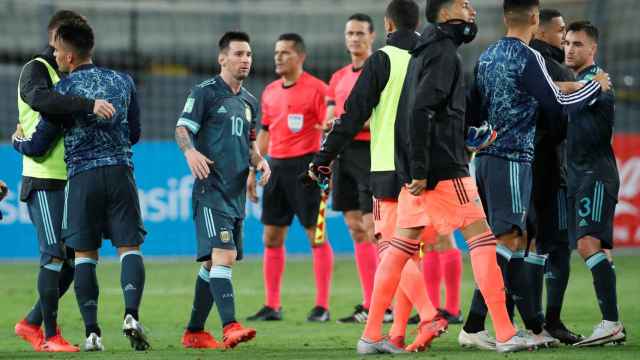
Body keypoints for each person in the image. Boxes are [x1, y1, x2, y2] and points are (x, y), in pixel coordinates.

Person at [461, 0, 609, 349]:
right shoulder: (529, 57)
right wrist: (594, 86)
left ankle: (528, 324)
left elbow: (472, 108)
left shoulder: (487, 55)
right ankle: (475, 325)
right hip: (512, 158)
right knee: (508, 239)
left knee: (509, 239)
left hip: (483, 160)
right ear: (533, 18)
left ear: (504, 18)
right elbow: (555, 101)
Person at [311, 0, 451, 353]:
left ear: (387, 25)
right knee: (407, 251)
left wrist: (323, 156)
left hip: (389, 166)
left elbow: (353, 114)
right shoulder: (434, 55)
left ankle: (428, 314)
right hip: (430, 167)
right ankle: (395, 333)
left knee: (391, 248)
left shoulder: (383, 59)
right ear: (417, 23)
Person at [10, 10, 115, 353]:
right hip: (42, 178)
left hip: (72, 178)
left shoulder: (72, 74)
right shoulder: (36, 69)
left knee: (72, 261)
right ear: (55, 37)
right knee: (54, 253)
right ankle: (51, 337)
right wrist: (86, 105)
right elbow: (40, 100)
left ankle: (30, 323)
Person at [41, 19, 148, 351]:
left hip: (82, 176)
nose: (55, 56)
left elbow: (43, 138)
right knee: (129, 247)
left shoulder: (62, 89)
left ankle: (92, 333)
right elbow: (135, 132)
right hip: (120, 172)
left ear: (70, 57)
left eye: (57, 51)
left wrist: (20, 142)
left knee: (85, 255)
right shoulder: (122, 80)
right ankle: (131, 315)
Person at [176, 31, 270, 350]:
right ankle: (230, 326)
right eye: (239, 54)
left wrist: (260, 161)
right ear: (222, 58)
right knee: (224, 255)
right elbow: (182, 128)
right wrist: (190, 151)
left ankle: (194, 331)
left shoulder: (249, 102)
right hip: (211, 191)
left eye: (249, 54)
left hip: (235, 196)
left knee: (212, 264)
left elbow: (249, 144)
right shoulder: (204, 93)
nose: (245, 60)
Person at [248, 33, 333, 322]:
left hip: (306, 167)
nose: (278, 57)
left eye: (285, 52)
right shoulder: (270, 91)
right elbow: (265, 131)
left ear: (300, 57)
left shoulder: (318, 90)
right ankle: (272, 305)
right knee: (271, 236)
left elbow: (330, 129)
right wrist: (254, 167)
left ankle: (322, 306)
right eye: (276, 52)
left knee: (316, 236)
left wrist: (325, 168)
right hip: (275, 167)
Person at [562, 21, 625, 347]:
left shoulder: (595, 83)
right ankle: (613, 323)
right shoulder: (582, 81)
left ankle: (611, 322)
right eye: (567, 43)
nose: (570, 49)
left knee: (588, 244)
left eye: (577, 44)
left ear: (593, 49)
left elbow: (563, 101)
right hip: (580, 175)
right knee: (595, 247)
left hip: (594, 175)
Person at [528, 8, 583, 344]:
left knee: (517, 244)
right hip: (549, 168)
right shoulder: (553, 67)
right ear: (544, 32)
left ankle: (520, 323)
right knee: (558, 246)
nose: (565, 38)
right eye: (561, 30)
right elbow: (563, 121)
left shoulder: (519, 60)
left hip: (519, 167)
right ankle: (550, 322)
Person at [326, 13, 379, 324]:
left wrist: (350, 124)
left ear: (372, 36)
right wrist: (332, 125)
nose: (355, 38)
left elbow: (382, 115)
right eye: (350, 33)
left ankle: (386, 305)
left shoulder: (378, 71)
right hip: (344, 152)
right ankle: (369, 301)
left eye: (360, 33)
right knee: (355, 229)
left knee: (375, 230)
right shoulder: (339, 77)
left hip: (370, 151)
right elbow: (331, 114)